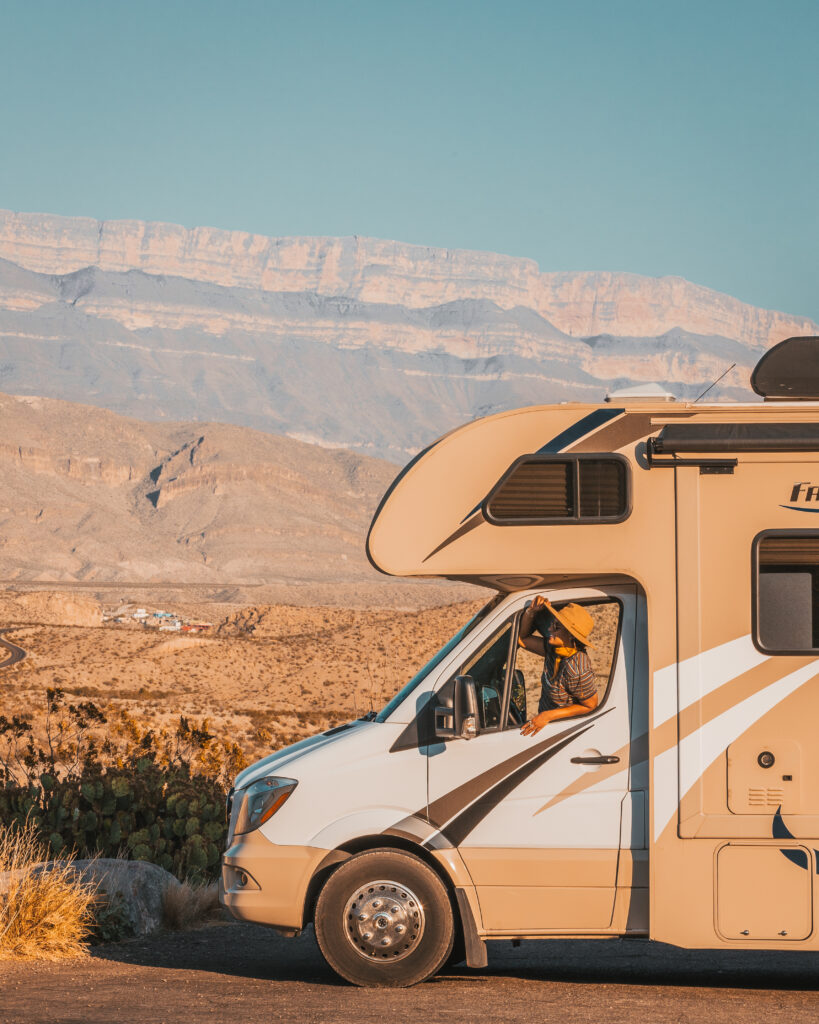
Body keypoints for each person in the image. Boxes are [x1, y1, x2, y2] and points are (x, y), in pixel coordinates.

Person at [519, 595, 598, 737]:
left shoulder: (577, 668)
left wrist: (548, 716)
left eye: (556, 627)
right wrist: (531, 611)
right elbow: (522, 639)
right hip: (546, 726)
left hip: (563, 732)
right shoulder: (553, 650)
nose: (549, 628)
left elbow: (590, 705)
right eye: (552, 624)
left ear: (571, 635)